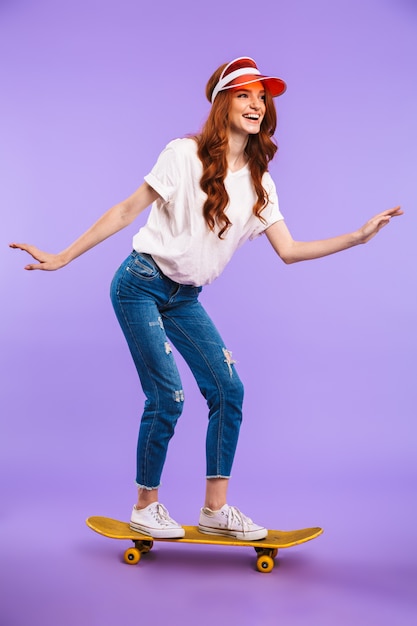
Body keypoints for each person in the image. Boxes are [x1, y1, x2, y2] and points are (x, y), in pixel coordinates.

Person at [10, 57, 403, 541]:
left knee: (228, 390)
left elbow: (290, 250)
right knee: (168, 394)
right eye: (244, 94)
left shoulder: (260, 182)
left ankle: (215, 510)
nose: (256, 104)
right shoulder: (183, 154)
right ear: (223, 101)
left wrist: (358, 238)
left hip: (185, 297)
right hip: (140, 283)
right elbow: (126, 211)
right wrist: (64, 256)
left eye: (262, 97)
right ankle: (145, 505)